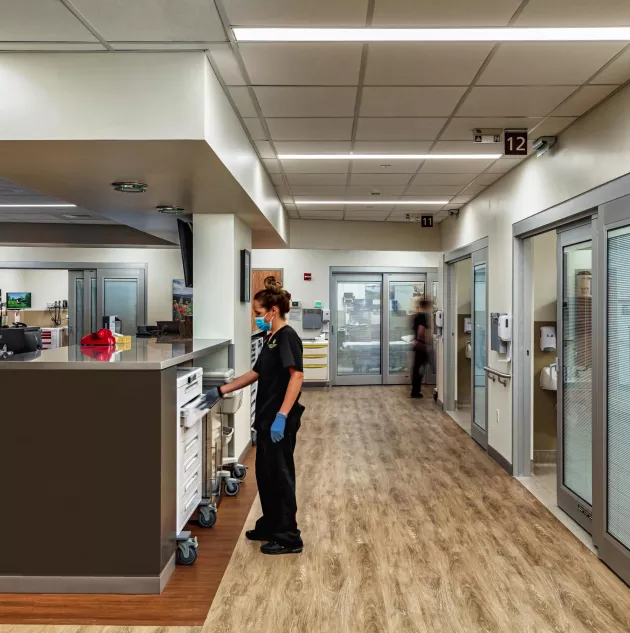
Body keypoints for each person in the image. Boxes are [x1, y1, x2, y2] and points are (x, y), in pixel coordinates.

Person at [205, 276, 305, 555]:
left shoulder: (287, 337)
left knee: (281, 476)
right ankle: (270, 524)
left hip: (279, 421)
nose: (257, 319)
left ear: (273, 311)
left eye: (259, 314)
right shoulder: (269, 337)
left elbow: (296, 375)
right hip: (266, 418)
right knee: (265, 475)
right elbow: (256, 373)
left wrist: (282, 416)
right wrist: (221, 389)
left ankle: (288, 536)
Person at [411, 298, 432, 399]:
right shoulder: (423, 316)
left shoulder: (416, 316)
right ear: (426, 306)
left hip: (417, 344)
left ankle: (415, 390)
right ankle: (415, 391)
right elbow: (421, 329)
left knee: (417, 368)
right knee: (419, 368)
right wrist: (421, 341)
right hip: (421, 345)